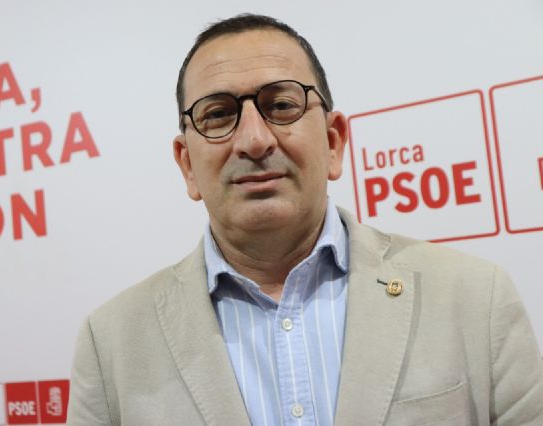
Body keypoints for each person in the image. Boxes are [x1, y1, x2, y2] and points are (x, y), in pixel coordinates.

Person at [67, 13, 543, 426]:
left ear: (334, 142)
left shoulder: (476, 299)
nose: (254, 140)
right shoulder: (110, 345)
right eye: (218, 115)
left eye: (281, 105)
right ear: (187, 164)